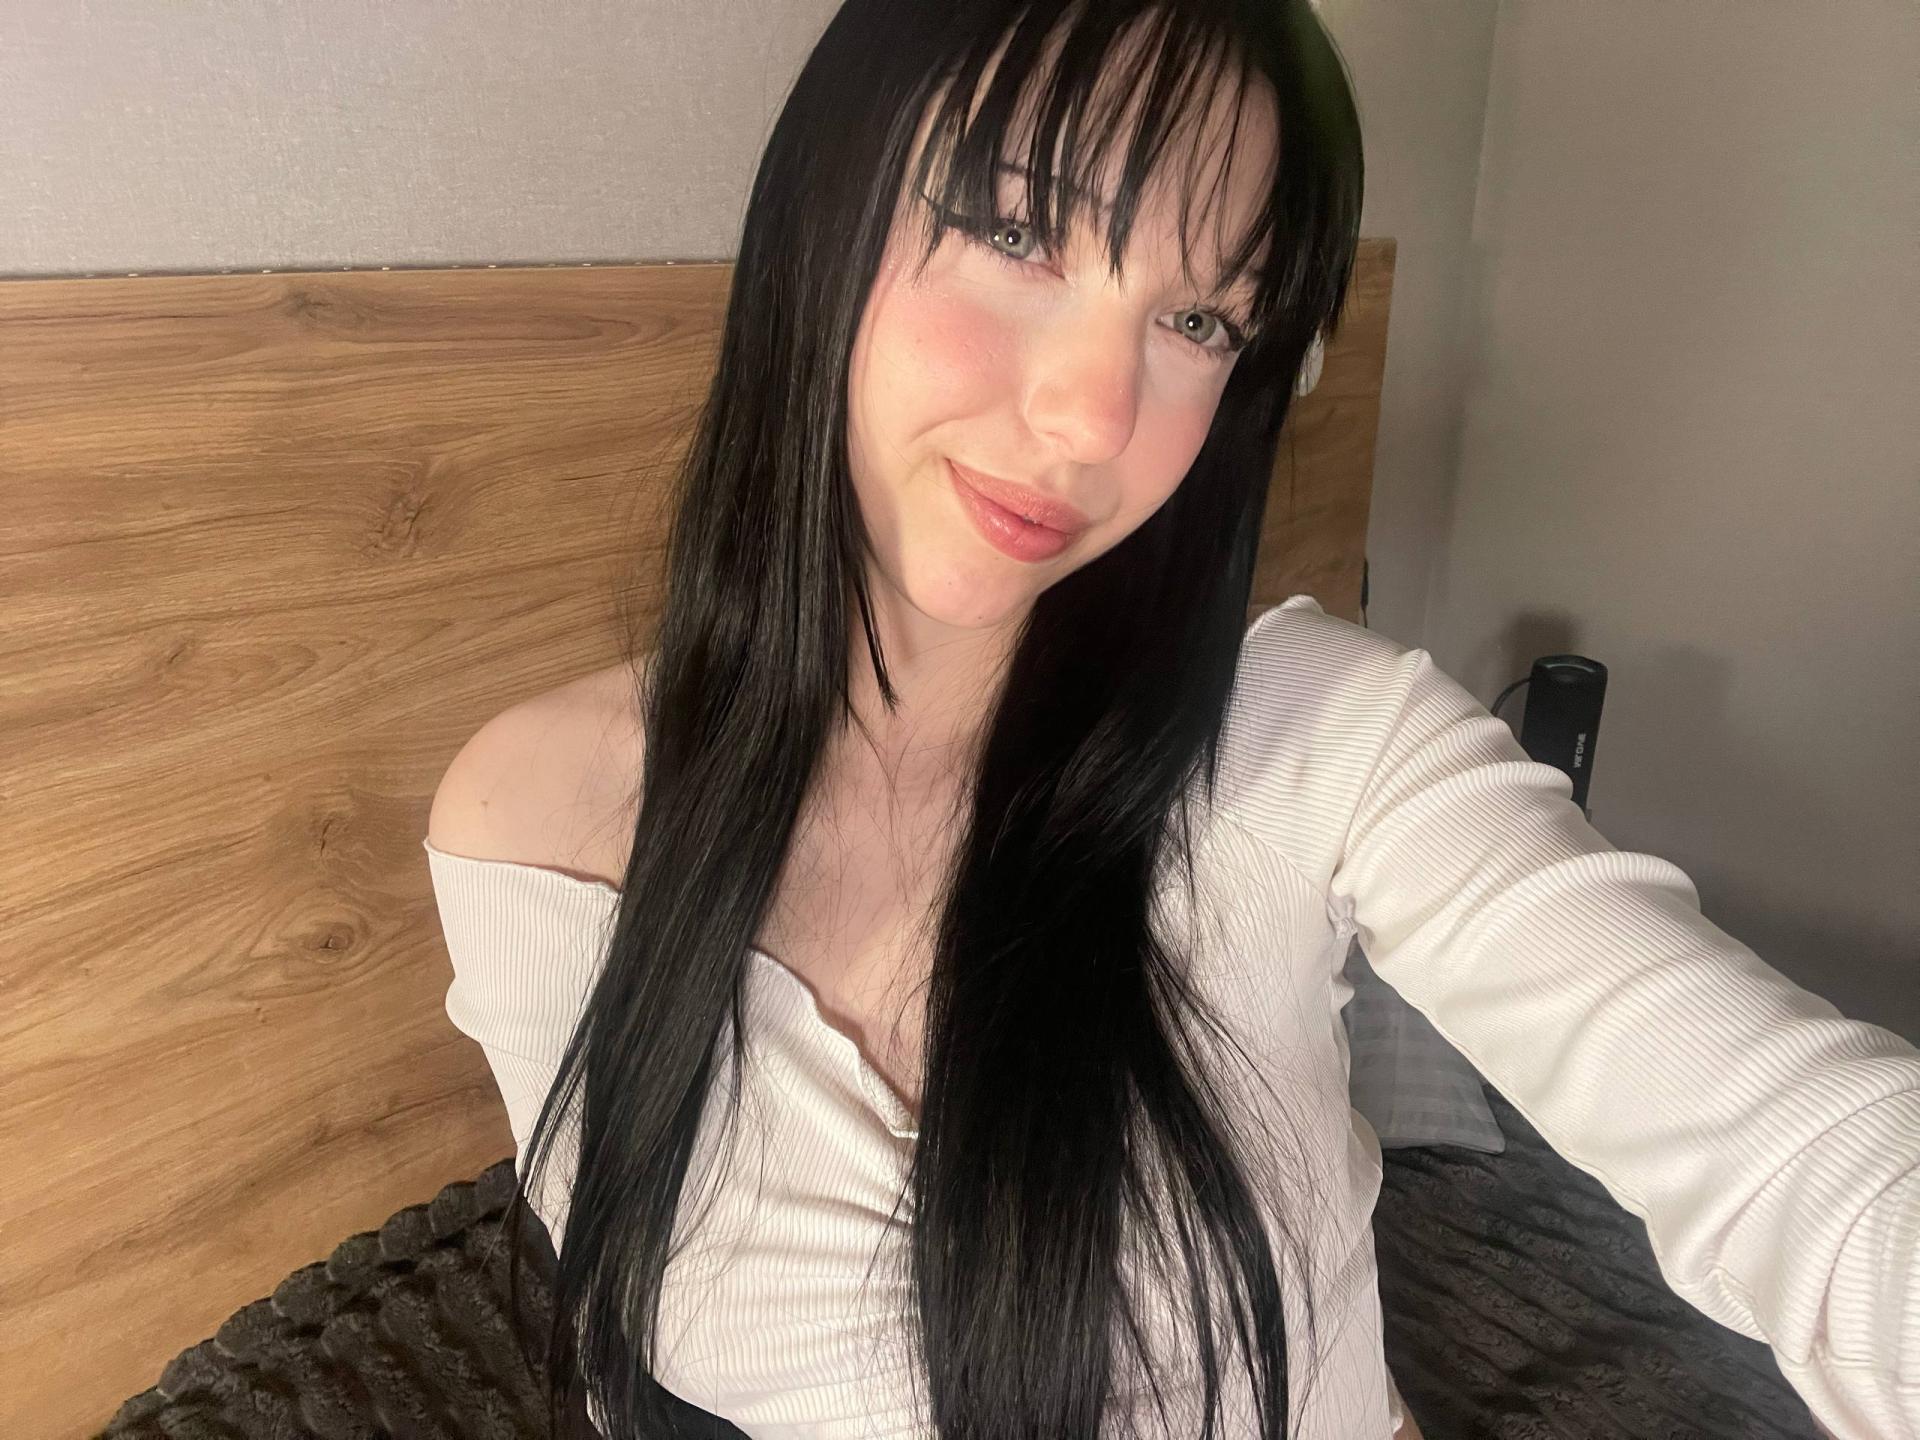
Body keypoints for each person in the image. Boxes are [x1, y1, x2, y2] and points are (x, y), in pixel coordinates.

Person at [422, 2, 1919, 1437]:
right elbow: (631, 1343)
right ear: (824, 205)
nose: (1095, 416)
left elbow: (1806, 1158)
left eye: (1199, 319)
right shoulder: (535, 827)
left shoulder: (1327, 737)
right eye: (1019, 231)